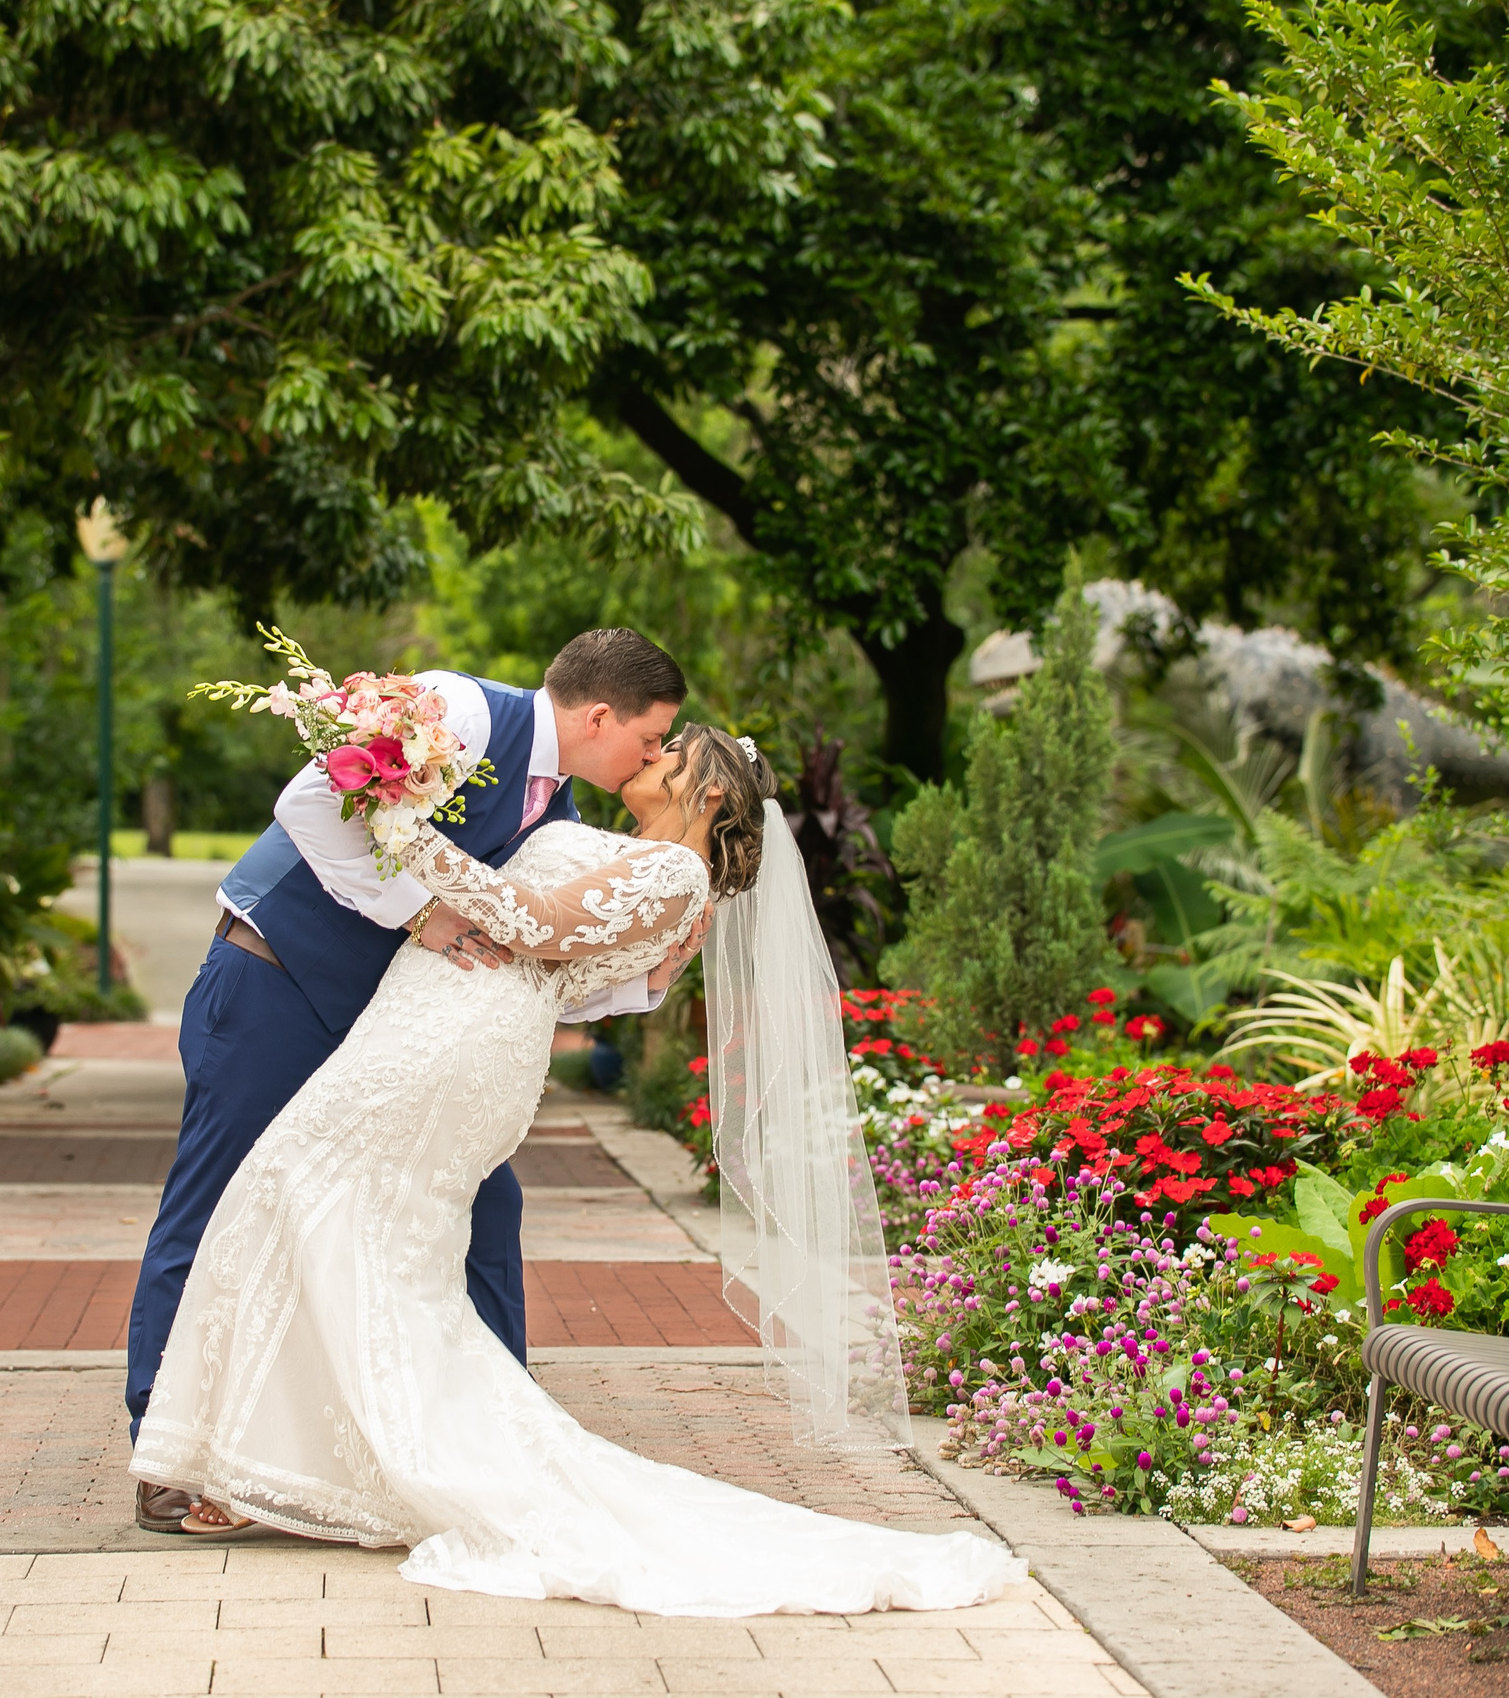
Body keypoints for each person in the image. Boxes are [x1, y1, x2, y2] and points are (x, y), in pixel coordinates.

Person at [130, 725, 1020, 1614]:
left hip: (456, 1040)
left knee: (306, 1191)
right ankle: (278, 1458)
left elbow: (538, 925)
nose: (655, 754)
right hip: (435, 1018)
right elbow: (579, 964)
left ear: (711, 796)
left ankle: (310, 1462)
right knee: (341, 1217)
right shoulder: (638, 858)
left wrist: (400, 828)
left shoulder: (677, 875)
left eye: (677, 753)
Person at [126, 629, 691, 1535]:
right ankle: (164, 1446)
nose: (653, 757)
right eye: (651, 737)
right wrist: (420, 909)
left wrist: (647, 977)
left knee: (485, 1206)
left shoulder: (559, 814)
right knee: (223, 1191)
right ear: (599, 716)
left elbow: (531, 944)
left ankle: (484, 1436)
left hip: (384, 1027)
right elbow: (309, 803)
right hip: (276, 975)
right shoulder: (456, 713)